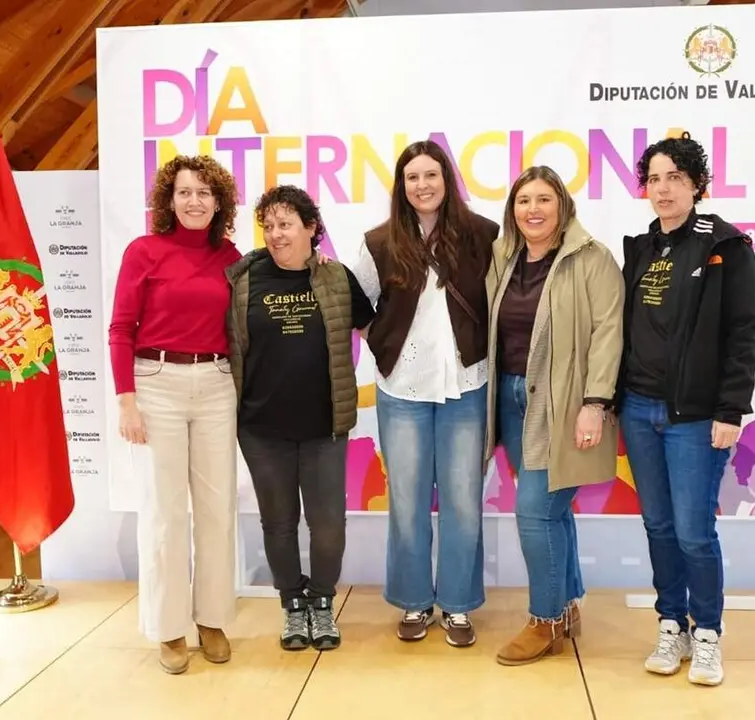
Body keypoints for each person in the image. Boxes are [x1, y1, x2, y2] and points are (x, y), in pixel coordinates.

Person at [613, 133, 755, 686]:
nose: (663, 188)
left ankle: (707, 634)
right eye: (654, 178)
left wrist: (731, 408)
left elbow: (745, 332)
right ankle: (670, 622)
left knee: (694, 531)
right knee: (657, 524)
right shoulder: (641, 248)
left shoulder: (726, 245)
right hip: (640, 409)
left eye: (675, 177)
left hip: (697, 416)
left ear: (698, 185)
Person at [353, 139, 499, 647]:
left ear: (447, 180)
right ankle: (415, 602)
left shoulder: (482, 236)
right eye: (412, 177)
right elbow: (357, 304)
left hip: (467, 386)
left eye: (431, 175)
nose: (422, 185)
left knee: (462, 500)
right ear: (402, 186)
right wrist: (383, 342)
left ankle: (457, 606)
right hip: (402, 390)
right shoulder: (379, 242)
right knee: (408, 501)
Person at [483, 166, 624, 666]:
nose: (534, 210)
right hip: (512, 398)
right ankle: (566, 606)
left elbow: (609, 335)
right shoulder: (504, 257)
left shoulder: (592, 259)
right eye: (524, 201)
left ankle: (544, 620)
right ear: (513, 209)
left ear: (562, 205)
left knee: (535, 512)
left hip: (564, 405)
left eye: (544, 199)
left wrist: (595, 404)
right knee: (554, 510)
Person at [108, 154, 243, 675]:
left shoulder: (232, 257)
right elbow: (121, 328)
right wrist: (126, 400)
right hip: (156, 386)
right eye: (184, 192)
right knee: (165, 514)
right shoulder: (144, 251)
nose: (194, 201)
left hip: (216, 385)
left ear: (219, 202)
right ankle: (167, 628)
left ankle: (211, 619)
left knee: (216, 509)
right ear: (169, 199)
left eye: (204, 193)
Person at [225, 185, 374, 651]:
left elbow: (376, 329)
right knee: (279, 522)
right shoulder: (245, 278)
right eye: (267, 226)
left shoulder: (336, 278)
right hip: (261, 428)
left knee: (328, 525)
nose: (275, 234)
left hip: (324, 427)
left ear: (312, 228)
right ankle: (293, 605)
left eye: (285, 224)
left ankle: (322, 602)